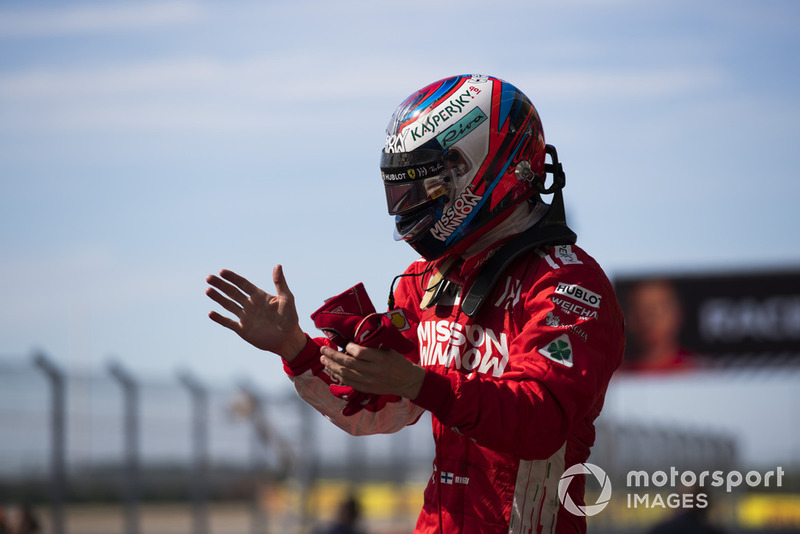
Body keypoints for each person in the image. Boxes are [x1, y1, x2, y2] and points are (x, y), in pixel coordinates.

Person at [206, 74, 625, 533]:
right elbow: (376, 409)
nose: (409, 205)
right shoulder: (426, 282)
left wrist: (424, 384)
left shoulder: (565, 283)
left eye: (425, 186)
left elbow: (541, 423)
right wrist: (296, 348)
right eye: (400, 188)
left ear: (478, 167)